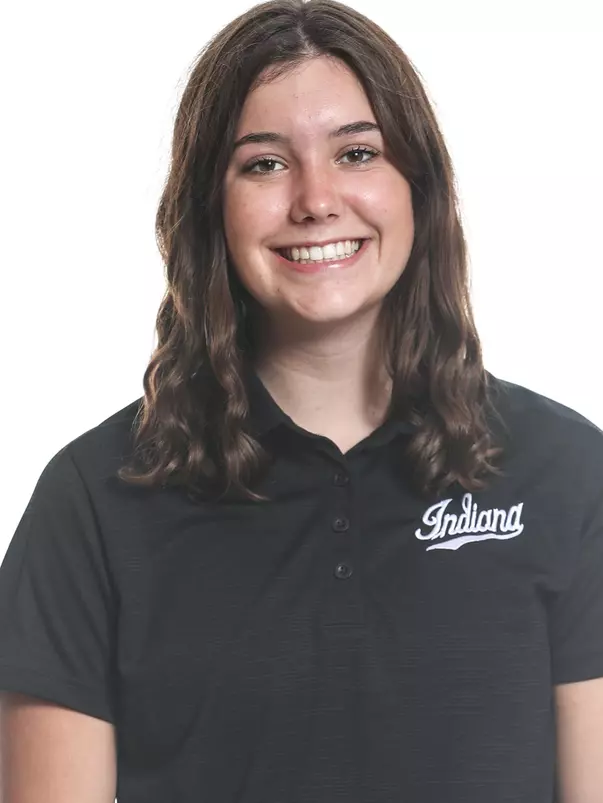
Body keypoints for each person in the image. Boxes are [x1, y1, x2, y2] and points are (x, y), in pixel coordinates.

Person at [1, 0, 602, 800]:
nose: (316, 199)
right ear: (208, 209)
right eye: (264, 164)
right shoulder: (93, 502)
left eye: (357, 153)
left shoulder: (564, 471)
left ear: (417, 188)